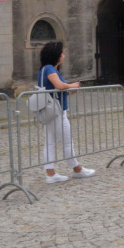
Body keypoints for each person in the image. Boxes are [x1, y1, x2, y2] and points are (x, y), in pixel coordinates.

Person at [37, 41, 95, 183]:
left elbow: (59, 88)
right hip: (56, 112)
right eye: (61, 53)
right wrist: (72, 85)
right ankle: (77, 169)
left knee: (50, 142)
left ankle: (51, 173)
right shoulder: (50, 69)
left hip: (50, 111)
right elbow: (59, 85)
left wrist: (69, 89)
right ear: (56, 55)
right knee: (67, 141)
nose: (63, 55)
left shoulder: (45, 69)